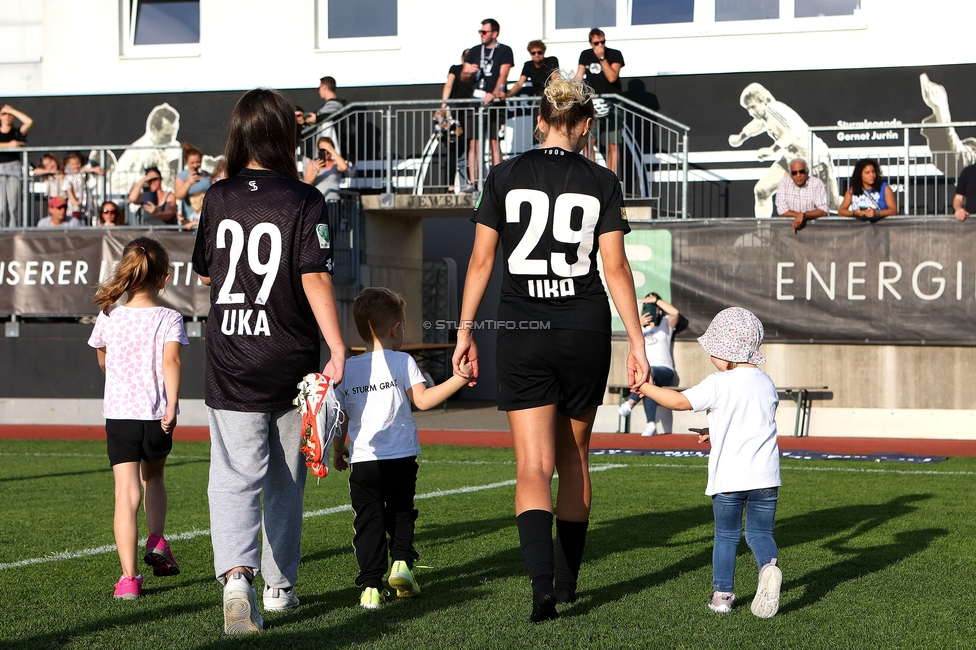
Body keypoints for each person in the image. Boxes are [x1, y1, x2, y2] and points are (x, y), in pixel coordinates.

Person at [452, 76, 649, 623]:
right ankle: (566, 582)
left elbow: (481, 263)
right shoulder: (603, 180)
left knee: (533, 465)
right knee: (575, 459)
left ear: (539, 120)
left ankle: (541, 584)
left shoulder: (503, 174)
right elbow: (616, 268)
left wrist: (464, 331)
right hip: (583, 329)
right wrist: (636, 342)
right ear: (585, 125)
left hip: (523, 330)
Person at [191, 87, 346, 635]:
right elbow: (314, 275)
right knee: (286, 479)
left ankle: (237, 580)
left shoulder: (217, 196)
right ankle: (280, 590)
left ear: (238, 135)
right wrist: (338, 344)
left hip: (232, 351)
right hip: (288, 352)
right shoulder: (305, 199)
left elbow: (208, 272)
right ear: (285, 134)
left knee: (233, 474)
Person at [331, 287, 475, 609]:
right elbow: (423, 401)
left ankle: (370, 588)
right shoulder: (402, 360)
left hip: (364, 460)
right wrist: (459, 379)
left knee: (367, 521)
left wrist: (338, 449)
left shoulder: (350, 368)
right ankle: (401, 564)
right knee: (401, 511)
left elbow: (341, 418)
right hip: (401, 456)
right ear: (396, 328)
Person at [635, 307, 782, 618]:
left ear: (728, 353)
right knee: (759, 533)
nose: (711, 357)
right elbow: (749, 423)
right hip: (766, 478)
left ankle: (722, 597)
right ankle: (769, 568)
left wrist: (644, 387)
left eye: (714, 350)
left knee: (726, 535)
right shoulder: (766, 383)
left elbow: (677, 402)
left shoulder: (719, 382)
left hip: (731, 477)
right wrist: (711, 430)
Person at [88, 237, 188, 600]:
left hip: (120, 415)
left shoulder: (110, 314)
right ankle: (157, 538)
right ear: (164, 278)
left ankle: (129, 579)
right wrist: (172, 406)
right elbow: (172, 362)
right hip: (157, 416)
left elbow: (102, 357)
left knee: (124, 495)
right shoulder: (169, 317)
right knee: (155, 477)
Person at [729, 83, 839, 217]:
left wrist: (772, 150)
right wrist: (741, 137)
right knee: (761, 191)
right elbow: (758, 124)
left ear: (762, 101)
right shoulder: (764, 115)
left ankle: (867, 211)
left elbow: (793, 131)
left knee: (833, 204)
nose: (751, 112)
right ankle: (763, 234)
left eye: (752, 107)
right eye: (748, 110)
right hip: (792, 158)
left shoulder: (774, 109)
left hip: (815, 158)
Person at [616, 292, 680, 436]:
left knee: (650, 375)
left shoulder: (665, 323)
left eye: (653, 306)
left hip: (665, 370)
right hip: (647, 374)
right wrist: (637, 324)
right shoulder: (639, 328)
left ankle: (631, 402)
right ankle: (651, 424)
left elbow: (675, 312)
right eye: (647, 306)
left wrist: (656, 300)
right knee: (650, 383)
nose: (650, 309)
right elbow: (630, 341)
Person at [464, 19, 514, 168]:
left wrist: (493, 93)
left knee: (494, 140)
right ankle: (473, 182)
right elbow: (463, 75)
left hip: (495, 103)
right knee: (474, 142)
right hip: (476, 101)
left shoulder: (505, 50)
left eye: (484, 32)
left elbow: (503, 75)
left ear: (494, 33)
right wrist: (469, 72)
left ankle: (496, 178)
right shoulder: (474, 51)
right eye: (480, 32)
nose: (481, 34)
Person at [574, 29, 624, 175]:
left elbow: (612, 77)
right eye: (596, 43)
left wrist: (602, 58)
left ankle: (612, 177)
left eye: (602, 42)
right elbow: (579, 75)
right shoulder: (585, 54)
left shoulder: (614, 54)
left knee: (613, 143)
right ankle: (592, 177)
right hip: (592, 104)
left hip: (613, 103)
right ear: (591, 43)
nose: (600, 45)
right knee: (589, 142)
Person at [0, 104, 33, 228]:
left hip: (14, 168)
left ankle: (13, 231)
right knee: (0, 207)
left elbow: (29, 121)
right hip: (0, 168)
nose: (7, 117)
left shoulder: (16, 132)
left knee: (13, 205)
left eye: (10, 115)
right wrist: (9, 145)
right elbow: (10, 145)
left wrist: (12, 110)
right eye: (4, 114)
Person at [775, 158, 829, 232]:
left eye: (801, 172)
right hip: (789, 231)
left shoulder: (817, 183)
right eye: (794, 173)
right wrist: (800, 215)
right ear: (790, 174)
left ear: (807, 172)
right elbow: (782, 210)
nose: (798, 175)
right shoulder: (783, 183)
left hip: (813, 231)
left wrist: (803, 215)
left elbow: (823, 210)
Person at [174, 142, 212, 229]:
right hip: (190, 220)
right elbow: (178, 196)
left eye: (198, 162)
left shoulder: (207, 176)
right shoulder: (182, 177)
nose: (195, 165)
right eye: (192, 163)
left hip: (205, 220)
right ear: (187, 162)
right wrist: (188, 183)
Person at [303, 136, 351, 201]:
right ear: (318, 150)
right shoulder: (312, 164)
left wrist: (332, 150)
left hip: (333, 202)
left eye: (327, 150)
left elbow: (344, 167)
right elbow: (306, 183)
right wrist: (316, 171)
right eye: (322, 150)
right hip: (318, 202)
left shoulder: (336, 163)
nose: (325, 152)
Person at [62, 152, 103, 224]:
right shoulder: (68, 176)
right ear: (68, 164)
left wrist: (94, 169)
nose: (76, 166)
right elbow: (68, 190)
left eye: (78, 163)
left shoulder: (82, 173)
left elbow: (84, 169)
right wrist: (75, 201)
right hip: (74, 202)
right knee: (75, 218)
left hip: (86, 199)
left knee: (88, 217)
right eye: (73, 164)